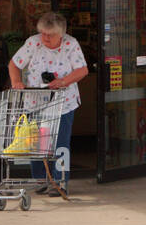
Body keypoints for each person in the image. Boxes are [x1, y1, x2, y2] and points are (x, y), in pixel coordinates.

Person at [8, 11, 88, 197]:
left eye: (50, 35)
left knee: (60, 143)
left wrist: (63, 81)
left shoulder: (71, 44)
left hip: (63, 103)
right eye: (43, 33)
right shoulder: (33, 43)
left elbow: (82, 70)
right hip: (35, 102)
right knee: (37, 142)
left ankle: (60, 181)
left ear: (61, 34)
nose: (45, 38)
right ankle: (40, 180)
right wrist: (17, 82)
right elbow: (14, 64)